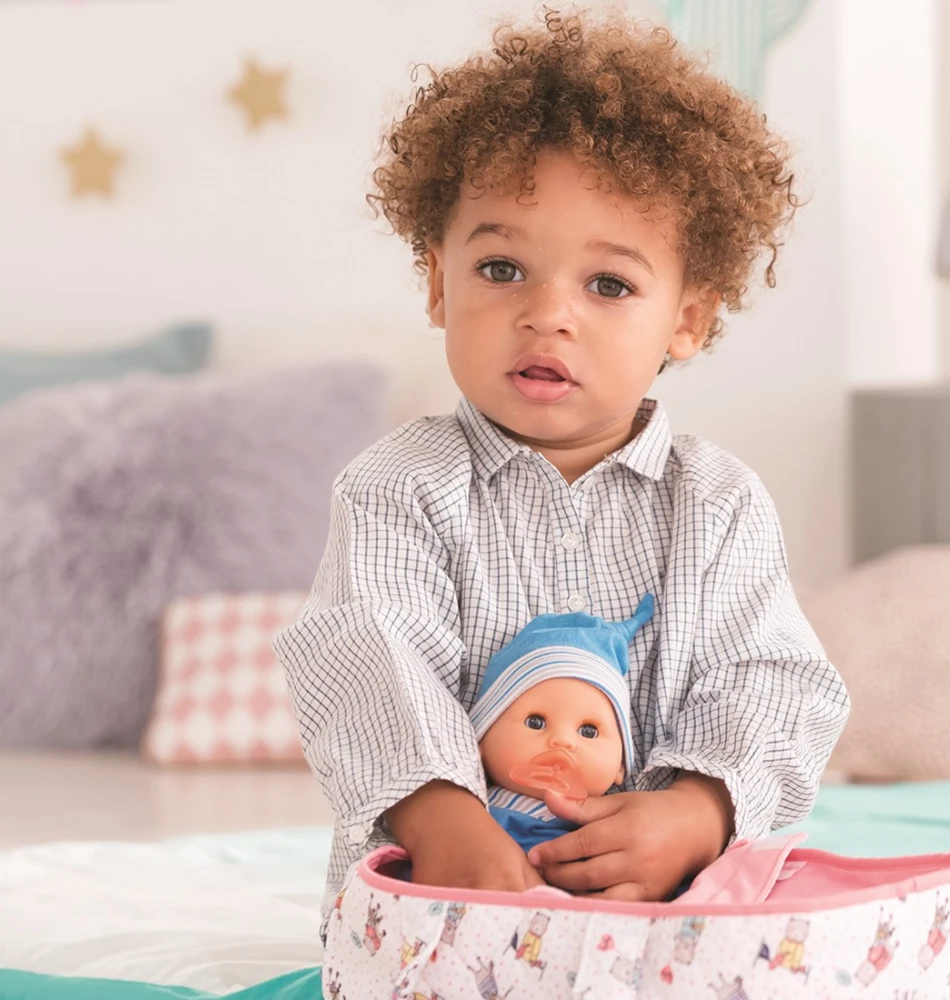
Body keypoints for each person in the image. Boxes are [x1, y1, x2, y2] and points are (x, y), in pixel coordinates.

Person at [273, 8, 849, 932]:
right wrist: (444, 823)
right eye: (502, 268)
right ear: (438, 282)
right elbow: (368, 662)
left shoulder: (720, 504)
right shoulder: (397, 487)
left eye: (608, 285)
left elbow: (774, 681)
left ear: (686, 321)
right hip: (441, 903)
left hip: (664, 914)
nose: (547, 314)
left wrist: (697, 813)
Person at [473, 594, 654, 855]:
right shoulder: (470, 814)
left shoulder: (620, 827)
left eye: (588, 731)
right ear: (481, 743)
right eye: (536, 722)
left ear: (620, 766)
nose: (562, 740)